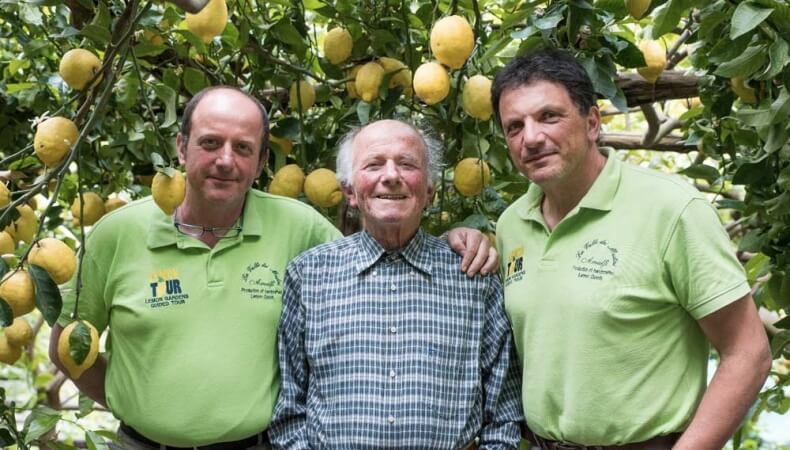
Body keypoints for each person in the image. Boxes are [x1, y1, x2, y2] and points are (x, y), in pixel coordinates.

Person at [48, 87, 498, 449]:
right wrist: (137, 403)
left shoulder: (297, 227)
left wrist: (452, 243)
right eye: (210, 143)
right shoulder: (115, 234)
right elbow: (69, 346)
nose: (226, 160)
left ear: (262, 162)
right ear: (182, 148)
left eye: (243, 148)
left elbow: (380, 260)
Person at [491, 48, 772, 450]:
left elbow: (748, 352)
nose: (531, 138)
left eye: (549, 116)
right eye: (514, 126)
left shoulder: (672, 209)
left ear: (592, 122)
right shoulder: (511, 224)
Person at [269, 119, 523, 449]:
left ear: (430, 190)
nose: (391, 176)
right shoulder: (308, 275)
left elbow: (503, 414)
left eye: (407, 164)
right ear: (349, 191)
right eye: (374, 164)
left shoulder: (473, 275)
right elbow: (290, 411)